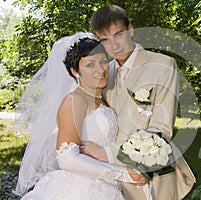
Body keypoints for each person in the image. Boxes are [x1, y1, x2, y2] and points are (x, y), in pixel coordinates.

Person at [13, 32, 146, 200]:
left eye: (103, 61)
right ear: (75, 71)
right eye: (90, 65)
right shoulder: (75, 100)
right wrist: (125, 174)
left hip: (107, 186)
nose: (101, 69)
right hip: (82, 190)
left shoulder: (102, 98)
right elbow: (67, 159)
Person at [86, 5, 196, 200]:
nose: (114, 45)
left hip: (151, 176)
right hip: (113, 179)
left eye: (118, 35)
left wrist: (108, 153)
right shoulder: (103, 74)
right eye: (105, 40)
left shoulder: (163, 65)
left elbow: (161, 130)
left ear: (130, 29)